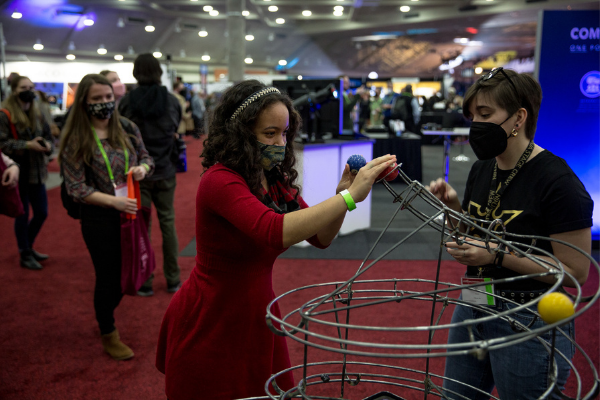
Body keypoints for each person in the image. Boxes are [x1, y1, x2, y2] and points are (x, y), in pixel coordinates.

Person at [156, 80, 396, 400]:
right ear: (240, 133)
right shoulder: (219, 180)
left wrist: (341, 195)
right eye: (270, 133)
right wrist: (351, 198)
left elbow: (321, 237)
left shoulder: (272, 180)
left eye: (284, 133)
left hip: (256, 310)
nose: (280, 142)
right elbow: (273, 231)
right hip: (212, 314)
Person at [427, 67, 593, 399]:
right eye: (472, 115)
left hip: (529, 314)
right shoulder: (481, 168)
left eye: (485, 114)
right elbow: (477, 235)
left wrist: (497, 255)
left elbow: (576, 273)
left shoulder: (558, 182)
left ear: (519, 117)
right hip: (473, 302)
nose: (475, 124)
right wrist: (455, 210)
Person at [59, 74, 155, 360]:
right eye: (97, 99)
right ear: (84, 103)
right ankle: (108, 331)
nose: (104, 103)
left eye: (108, 98)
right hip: (98, 217)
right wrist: (114, 202)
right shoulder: (77, 137)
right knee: (108, 277)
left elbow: (147, 158)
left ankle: (104, 314)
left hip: (130, 212)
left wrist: (142, 170)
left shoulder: (126, 127)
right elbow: (76, 188)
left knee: (132, 271)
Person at [119, 54, 183, 296]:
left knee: (141, 227)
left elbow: (122, 133)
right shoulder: (172, 101)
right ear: (159, 73)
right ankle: (173, 280)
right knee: (168, 223)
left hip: (138, 173)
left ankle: (145, 280)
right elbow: (176, 129)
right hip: (166, 169)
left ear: (136, 73)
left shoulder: (126, 101)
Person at [0, 75, 54, 270]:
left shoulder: (38, 113)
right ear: (14, 90)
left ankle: (28, 246)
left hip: (37, 172)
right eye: (24, 87)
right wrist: (27, 145)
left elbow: (49, 136)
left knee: (42, 213)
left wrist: (47, 145)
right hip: (18, 172)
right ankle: (25, 252)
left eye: (31, 87)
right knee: (21, 215)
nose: (29, 90)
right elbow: (2, 144)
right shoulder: (5, 114)